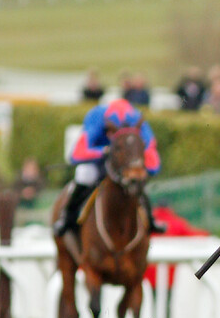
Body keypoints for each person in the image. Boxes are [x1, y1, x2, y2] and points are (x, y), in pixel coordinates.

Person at [53, 99, 164, 236]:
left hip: (123, 164)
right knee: (84, 175)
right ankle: (67, 218)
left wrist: (141, 169)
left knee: (139, 181)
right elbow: (76, 154)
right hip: (98, 160)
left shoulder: (137, 119)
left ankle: (150, 220)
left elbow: (153, 161)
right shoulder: (96, 116)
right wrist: (105, 151)